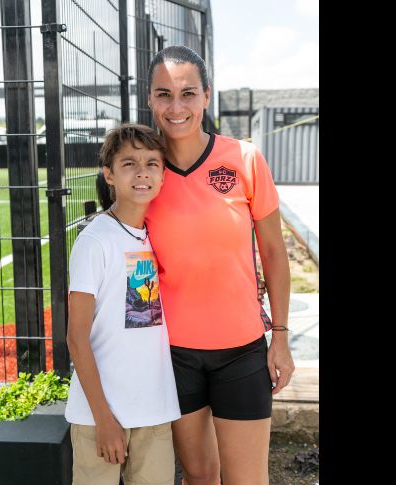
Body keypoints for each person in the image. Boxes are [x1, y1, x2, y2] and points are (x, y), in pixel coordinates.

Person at [144, 45, 296, 485]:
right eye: (164, 95)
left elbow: (273, 253)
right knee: (200, 477)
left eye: (188, 93)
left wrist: (280, 337)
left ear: (207, 96)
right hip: (173, 355)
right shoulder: (144, 173)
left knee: (248, 479)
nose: (176, 107)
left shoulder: (244, 159)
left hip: (242, 352)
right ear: (150, 100)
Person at [65, 123, 180, 485]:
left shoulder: (160, 235)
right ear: (109, 174)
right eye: (129, 163)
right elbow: (76, 338)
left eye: (152, 163)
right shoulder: (95, 240)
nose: (142, 172)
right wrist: (104, 419)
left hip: (154, 411)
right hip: (99, 416)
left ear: (163, 175)